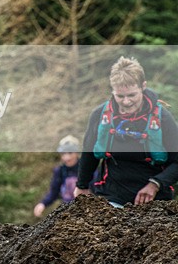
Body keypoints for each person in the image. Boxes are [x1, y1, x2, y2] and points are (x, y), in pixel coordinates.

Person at [75, 56, 178, 208]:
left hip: (156, 199)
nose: (126, 102)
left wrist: (155, 184)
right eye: (120, 96)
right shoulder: (100, 115)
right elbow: (89, 154)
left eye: (132, 95)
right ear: (112, 90)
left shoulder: (163, 118)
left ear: (143, 86)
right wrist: (81, 186)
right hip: (111, 195)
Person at [33, 135, 81, 217]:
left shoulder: (87, 169)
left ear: (76, 153)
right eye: (63, 154)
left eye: (70, 153)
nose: (67, 157)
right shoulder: (59, 171)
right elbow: (54, 192)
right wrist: (43, 204)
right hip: (67, 210)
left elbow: (96, 190)